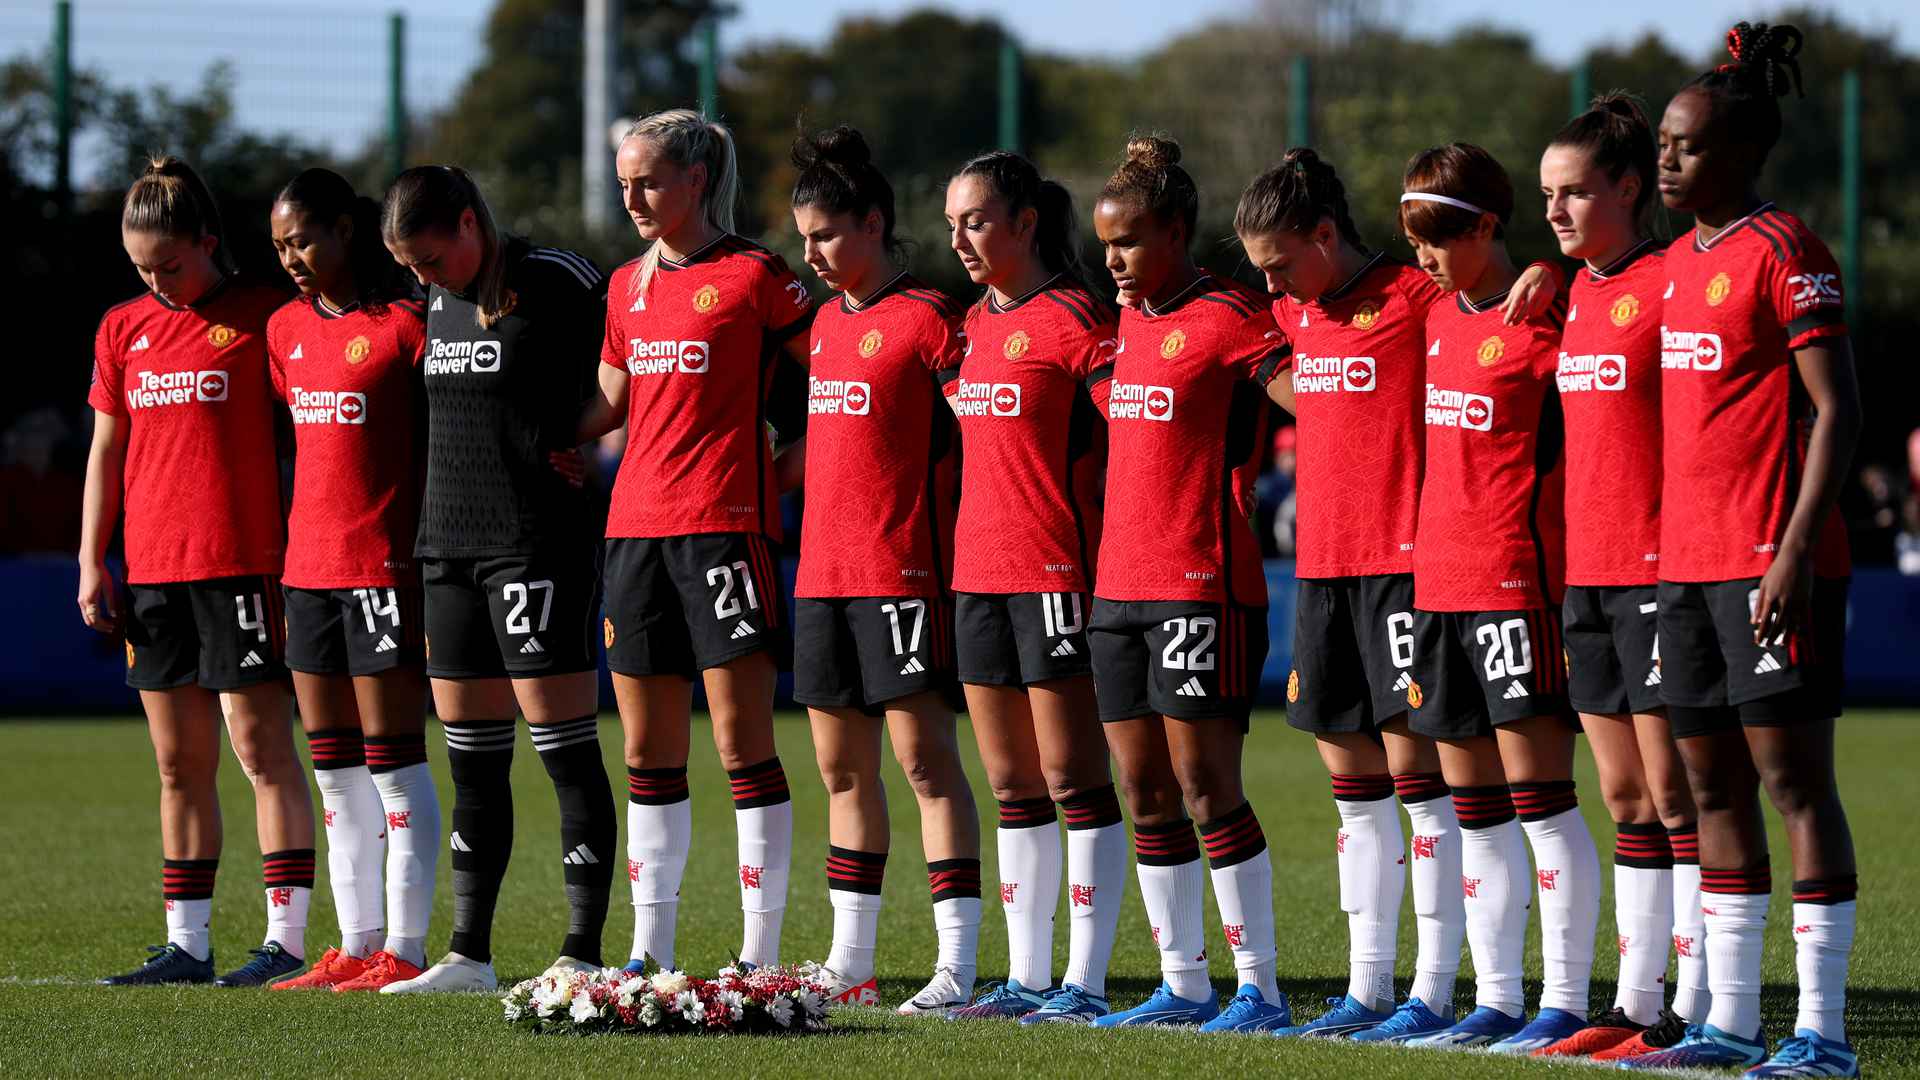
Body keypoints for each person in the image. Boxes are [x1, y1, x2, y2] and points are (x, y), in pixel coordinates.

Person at [1237, 149, 1561, 1042]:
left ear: (1326, 236)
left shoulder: (1416, 296)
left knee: (1426, 786)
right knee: (1352, 790)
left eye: (1278, 262)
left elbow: (1501, 300)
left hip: (1409, 570)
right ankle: (1368, 989)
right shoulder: (1285, 312)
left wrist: (1550, 270)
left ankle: (1438, 988)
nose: (1269, 281)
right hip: (1321, 574)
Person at [1625, 22, 1863, 1078]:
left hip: (1771, 563)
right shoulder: (1674, 263)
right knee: (1709, 792)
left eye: (1682, 145)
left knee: (1793, 786)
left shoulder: (1786, 248)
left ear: (1740, 154)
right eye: (1663, 145)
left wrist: (1793, 551)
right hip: (1684, 570)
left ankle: (1824, 1034)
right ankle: (1730, 1023)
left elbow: (1841, 410)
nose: (1665, 160)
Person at [575, 109, 812, 976]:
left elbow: (842, 378)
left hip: (724, 533)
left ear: (695, 181)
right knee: (645, 753)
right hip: (633, 537)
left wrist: (780, 473)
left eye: (648, 180)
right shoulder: (623, 287)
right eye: (625, 181)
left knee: (742, 745)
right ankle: (648, 949)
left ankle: (759, 954)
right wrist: (520, 423)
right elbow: (607, 405)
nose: (632, 196)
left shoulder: (756, 275)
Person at [378, 165, 616, 993]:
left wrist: (575, 434)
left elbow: (630, 366)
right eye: (409, 265)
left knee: (563, 750)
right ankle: (467, 956)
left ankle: (580, 954)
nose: (422, 277)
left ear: (472, 225)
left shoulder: (557, 278)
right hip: (446, 549)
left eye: (432, 259)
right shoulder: (427, 302)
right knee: (473, 761)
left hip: (534, 543)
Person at [83, 156, 317, 987]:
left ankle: (285, 942)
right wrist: (91, 557)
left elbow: (320, 424)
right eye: (140, 267)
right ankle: (187, 943)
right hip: (151, 574)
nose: (155, 280)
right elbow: (108, 450)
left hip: (243, 568)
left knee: (262, 753)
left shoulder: (267, 316)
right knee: (178, 766)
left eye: (169, 265)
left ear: (208, 243)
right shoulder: (122, 328)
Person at [1389, 142, 1602, 1053]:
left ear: (1486, 226)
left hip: (1516, 586)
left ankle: (1567, 1000)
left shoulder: (1550, 320)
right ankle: (1497, 999)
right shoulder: (1432, 314)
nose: (1424, 258)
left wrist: (1554, 272)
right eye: (1413, 240)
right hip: (1437, 586)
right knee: (1470, 810)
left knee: (1542, 803)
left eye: (1439, 239)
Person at [1087, 134, 1293, 1032]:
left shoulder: (1233, 316)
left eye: (1128, 242)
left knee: (1209, 787)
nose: (1112, 262)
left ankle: (1262, 987)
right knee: (1144, 793)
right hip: (1115, 590)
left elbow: (1317, 398)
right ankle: (1185, 984)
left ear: (1175, 231)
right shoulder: (1123, 320)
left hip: (1200, 583)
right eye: (1103, 245)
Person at [782, 124, 983, 1011]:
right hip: (820, 578)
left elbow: (983, 441)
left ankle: (957, 966)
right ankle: (850, 961)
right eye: (803, 239)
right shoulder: (824, 324)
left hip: (901, 574)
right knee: (841, 773)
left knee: (927, 765)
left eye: (826, 234)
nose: (813, 255)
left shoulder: (933, 318)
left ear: (872, 223)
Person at [1531, 98, 1712, 1059]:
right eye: (1547, 196)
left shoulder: (1675, 280)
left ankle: (1699, 1005)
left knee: (1679, 798)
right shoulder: (1572, 291)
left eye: (1575, 193)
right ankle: (1639, 1007)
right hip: (1587, 578)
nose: (1555, 212)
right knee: (1627, 799)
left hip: (1662, 571)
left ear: (1631, 189)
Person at [937, 150, 1128, 1024]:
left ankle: (1084, 983)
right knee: (1011, 782)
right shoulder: (966, 326)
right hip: (974, 574)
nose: (961, 238)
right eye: (951, 224)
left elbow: (1130, 441)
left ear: (1024, 223)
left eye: (976, 220)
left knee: (1071, 777)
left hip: (1056, 570)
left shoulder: (1081, 318)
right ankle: (1025, 979)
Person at [258, 168, 442, 992]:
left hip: (383, 572)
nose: (292, 257)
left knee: (395, 765)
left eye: (302, 239)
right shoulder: (283, 331)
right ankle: (354, 941)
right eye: (278, 246)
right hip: (308, 574)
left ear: (344, 231)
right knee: (332, 767)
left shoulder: (407, 323)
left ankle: (404, 946)